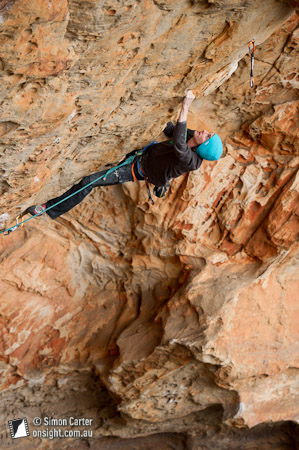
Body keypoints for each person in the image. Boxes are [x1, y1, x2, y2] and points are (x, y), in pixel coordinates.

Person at [27, 90, 223, 220]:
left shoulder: (192, 161)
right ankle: (165, 180)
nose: (204, 131)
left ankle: (48, 208)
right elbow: (172, 130)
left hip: (137, 169)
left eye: (207, 135)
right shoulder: (192, 136)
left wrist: (185, 107)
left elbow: (179, 143)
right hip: (146, 154)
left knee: (89, 181)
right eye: (207, 132)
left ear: (204, 146)